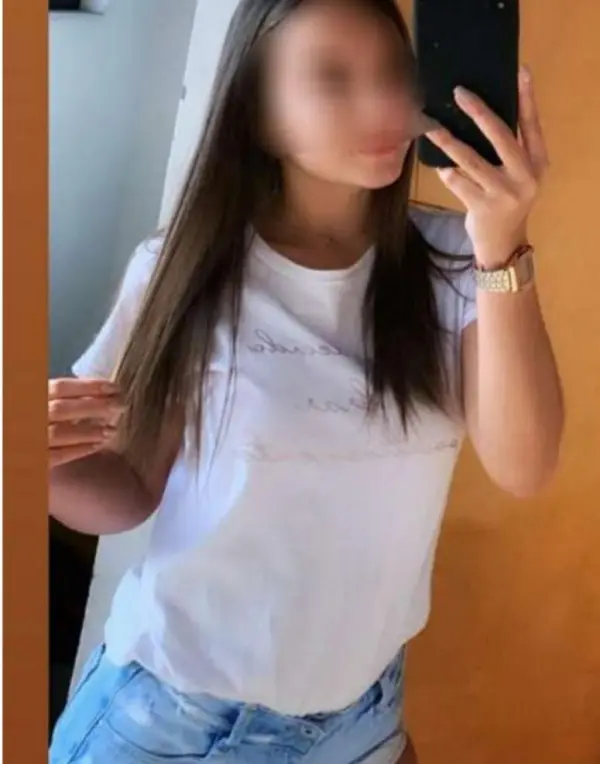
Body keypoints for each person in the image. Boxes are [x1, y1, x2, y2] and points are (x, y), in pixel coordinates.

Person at [48, 0, 564, 761]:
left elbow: (525, 466)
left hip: (362, 712)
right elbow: (128, 488)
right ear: (258, 114)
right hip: (173, 719)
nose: (385, 102)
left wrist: (503, 243)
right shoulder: (184, 268)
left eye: (395, 71)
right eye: (334, 78)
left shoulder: (460, 260)